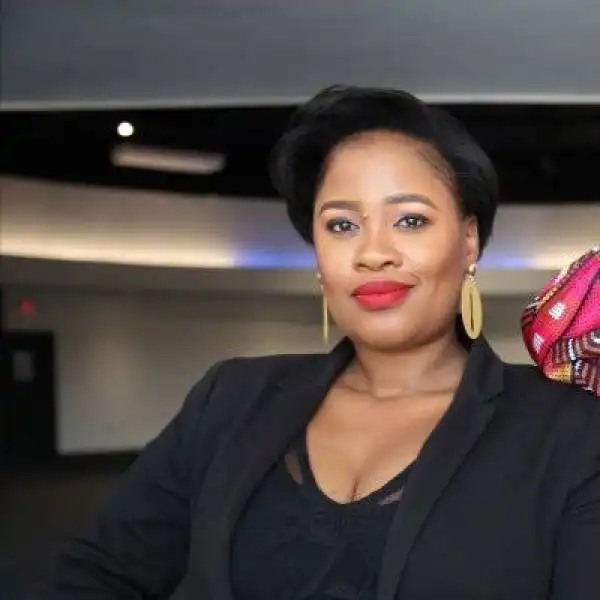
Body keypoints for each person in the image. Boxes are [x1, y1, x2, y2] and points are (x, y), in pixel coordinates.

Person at [41, 86, 600, 600]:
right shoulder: (228, 398)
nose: (373, 253)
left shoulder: (568, 429)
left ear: (469, 239)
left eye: (410, 220)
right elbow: (99, 575)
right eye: (341, 225)